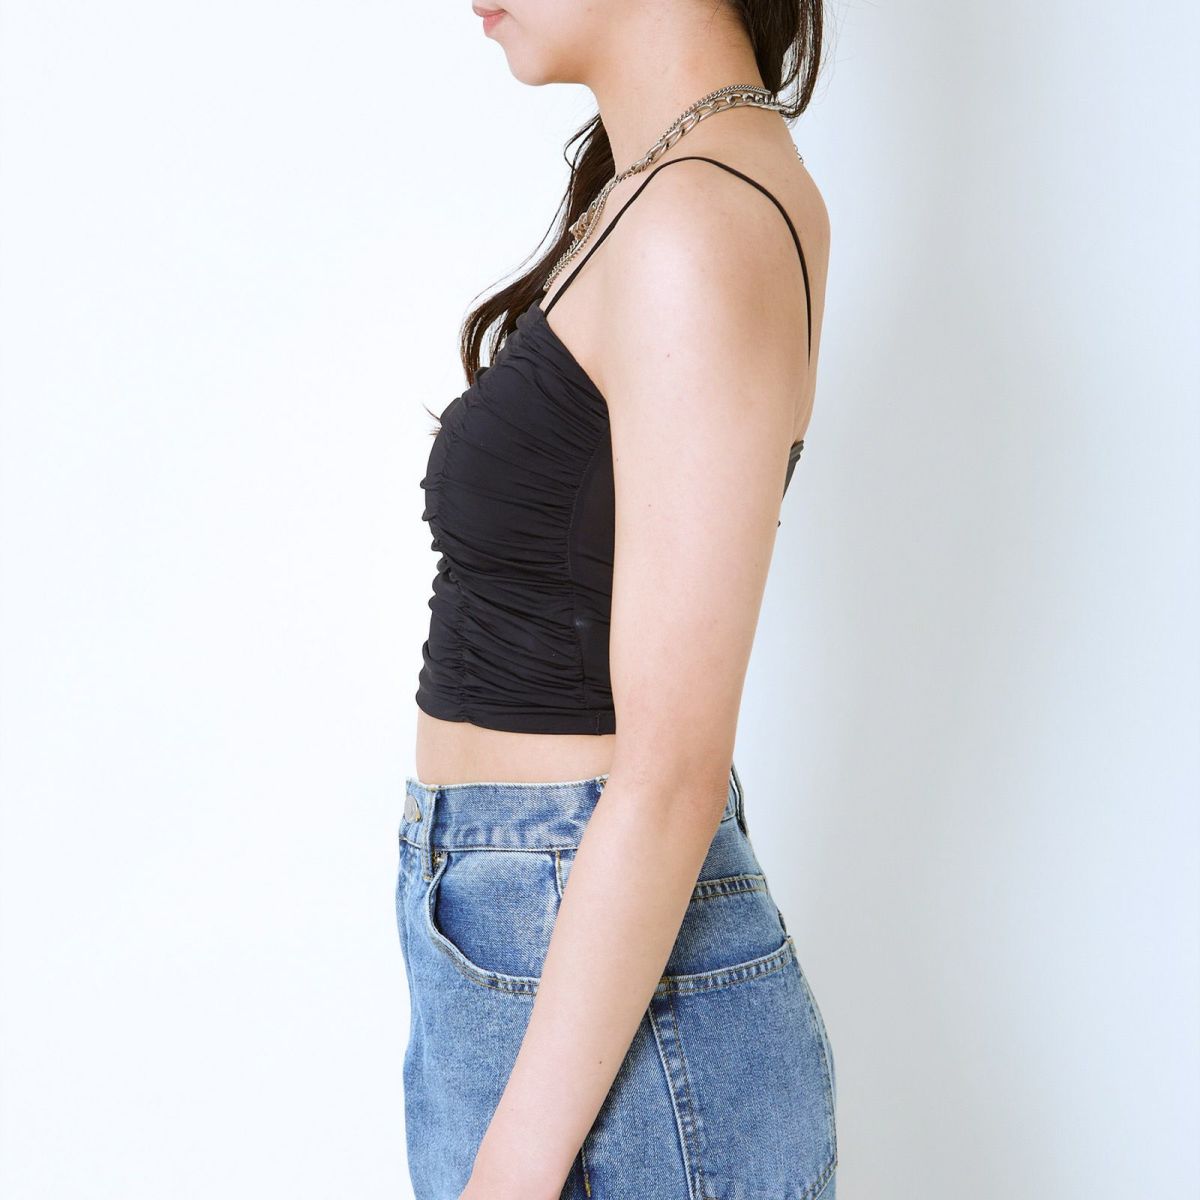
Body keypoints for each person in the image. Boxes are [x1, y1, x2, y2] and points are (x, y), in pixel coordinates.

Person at [396, 2, 836, 1197]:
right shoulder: (676, 187)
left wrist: (511, 1175)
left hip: (584, 949)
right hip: (542, 937)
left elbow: (674, 773)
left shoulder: (701, 215)